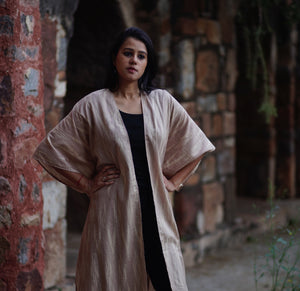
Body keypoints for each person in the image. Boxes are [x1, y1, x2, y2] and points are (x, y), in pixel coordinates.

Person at [33, 27, 215, 291]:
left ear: (147, 64)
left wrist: (175, 182)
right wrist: (85, 184)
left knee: (167, 280)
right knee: (113, 278)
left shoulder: (161, 102)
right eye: (128, 53)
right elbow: (51, 150)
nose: (134, 60)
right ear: (115, 58)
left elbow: (195, 143)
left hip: (156, 216)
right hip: (112, 215)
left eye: (141, 56)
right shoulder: (93, 105)